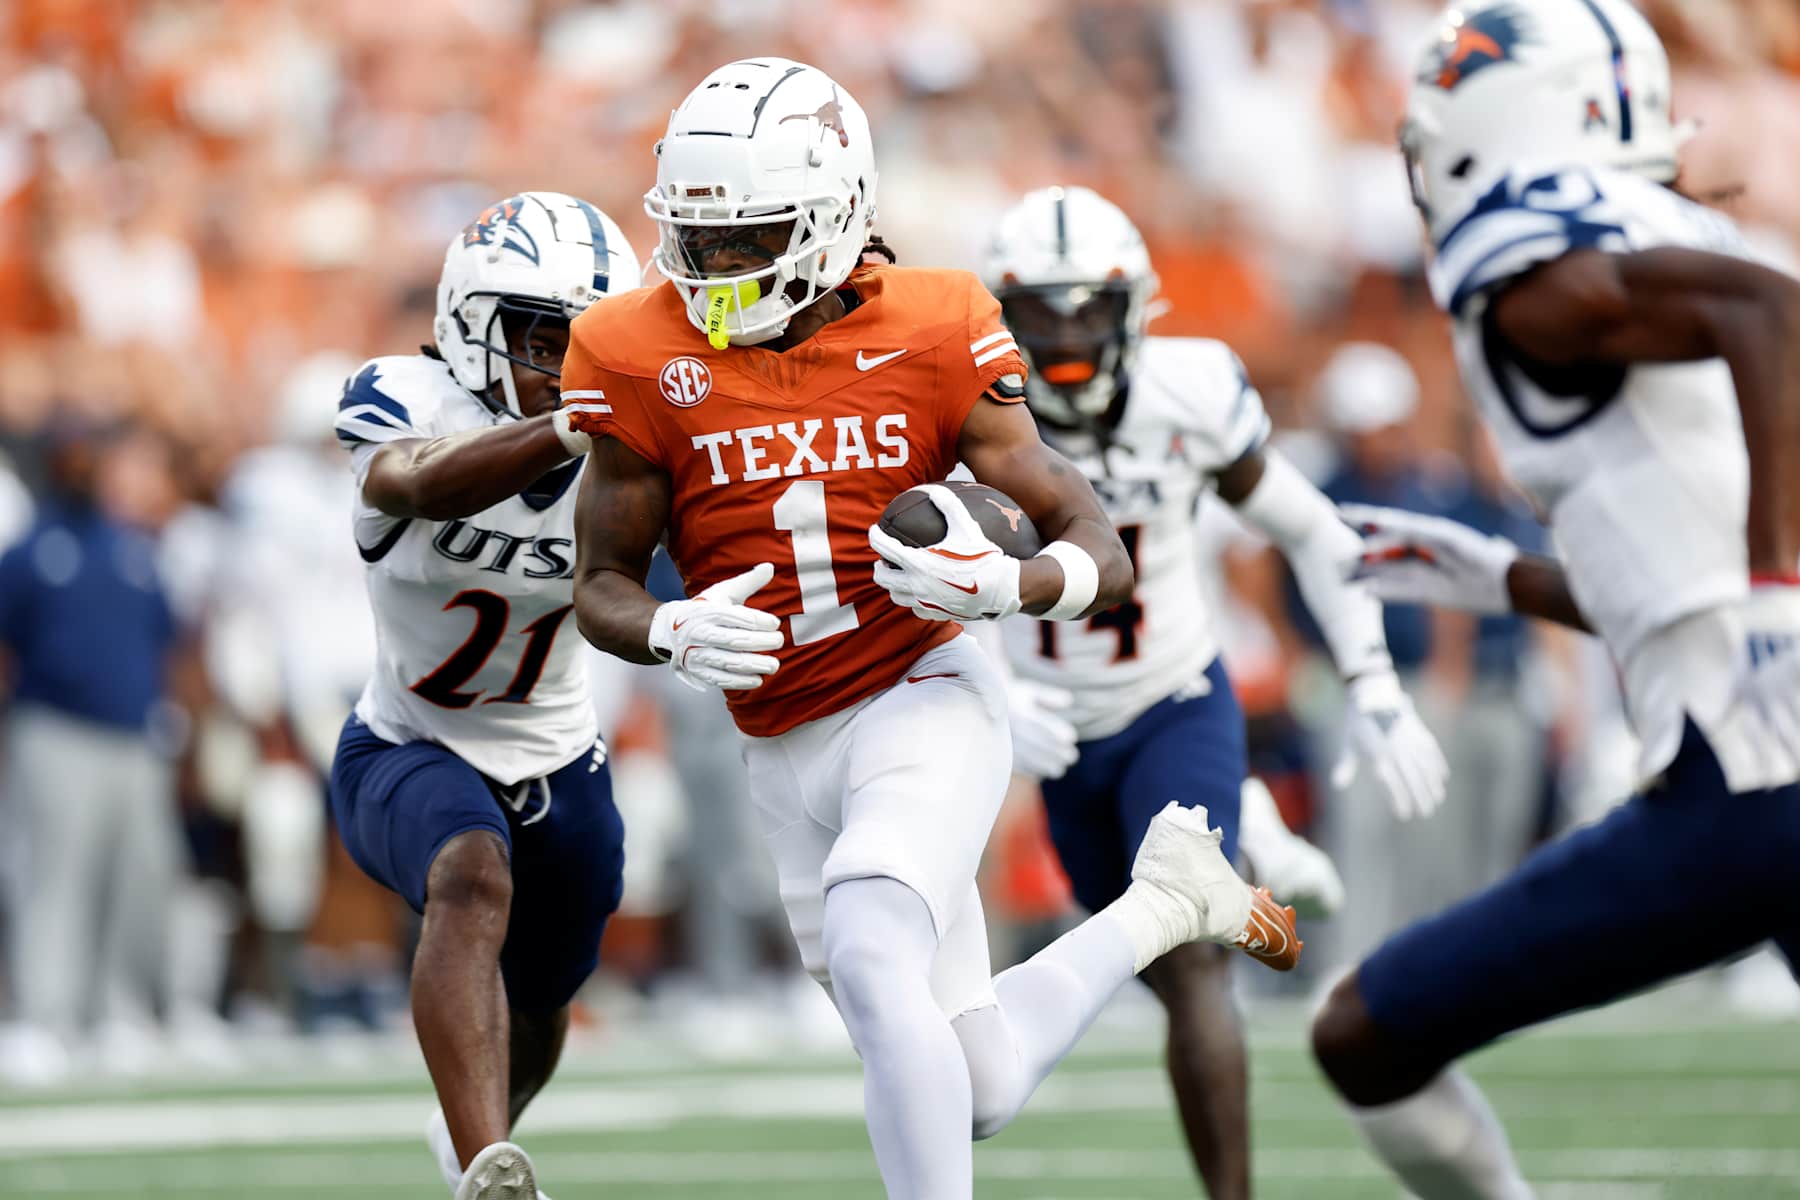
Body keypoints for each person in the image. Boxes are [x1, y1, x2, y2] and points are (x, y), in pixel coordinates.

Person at [562, 58, 1300, 1200]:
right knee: (978, 1084)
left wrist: (1017, 588)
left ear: (833, 217)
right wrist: (665, 632)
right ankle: (1164, 904)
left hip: (921, 696)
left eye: (745, 239)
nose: (707, 269)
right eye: (695, 238)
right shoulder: (631, 349)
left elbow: (1095, 544)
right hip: (779, 742)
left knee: (873, 950)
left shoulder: (939, 325)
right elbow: (599, 579)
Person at [1308, 3, 1800, 1196]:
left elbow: (1770, 318)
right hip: (1761, 749)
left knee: (1366, 1033)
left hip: (1750, 783)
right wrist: (1504, 579)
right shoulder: (1662, 228)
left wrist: (1779, 587)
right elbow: (1683, 582)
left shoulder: (1524, 260)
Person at [983, 185, 1446, 1200]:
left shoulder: (1186, 393)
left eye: (1086, 309)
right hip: (1059, 729)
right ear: (999, 316)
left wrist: (1372, 682)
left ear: (1135, 308)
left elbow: (1317, 532)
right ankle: (1257, 846)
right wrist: (983, 691)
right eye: (1042, 312)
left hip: (1175, 701)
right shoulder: (966, 412)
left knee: (1193, 960)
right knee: (1153, 964)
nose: (1064, 336)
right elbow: (901, 578)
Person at [327, 192, 638, 1200]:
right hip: (410, 742)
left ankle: (472, 1128)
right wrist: (568, 431)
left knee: (545, 997)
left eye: (591, 347)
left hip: (561, 751)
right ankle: (488, 1172)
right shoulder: (405, 401)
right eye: (549, 340)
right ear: (472, 323)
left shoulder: (627, 448)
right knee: (470, 873)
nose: (569, 370)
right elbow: (414, 483)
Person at [0, 421, 183, 1078]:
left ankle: (118, 1012)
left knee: (133, 878)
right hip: (54, 731)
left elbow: (166, 641)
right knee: (52, 877)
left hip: (135, 737)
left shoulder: (133, 549)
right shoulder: (29, 549)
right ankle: (43, 1017)